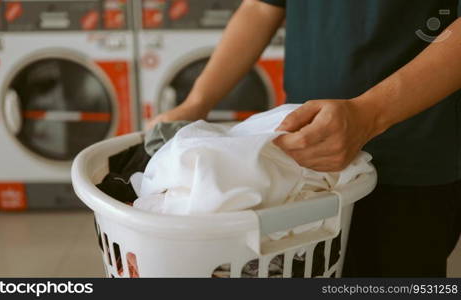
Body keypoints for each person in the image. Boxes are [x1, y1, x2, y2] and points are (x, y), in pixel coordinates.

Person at [151, 0, 461, 277]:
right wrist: (197, 103)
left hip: (411, 156)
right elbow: (261, 6)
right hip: (302, 158)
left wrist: (369, 115)